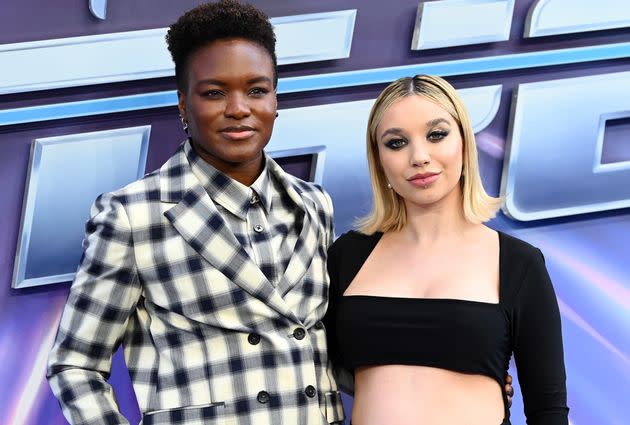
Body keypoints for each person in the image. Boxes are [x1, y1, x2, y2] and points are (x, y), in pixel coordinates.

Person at [46, 1, 345, 424]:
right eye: (214, 92)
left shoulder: (315, 205)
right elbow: (74, 364)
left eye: (256, 90)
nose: (239, 108)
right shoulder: (133, 216)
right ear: (184, 105)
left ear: (276, 100)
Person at [324, 75, 568, 425]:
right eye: (396, 143)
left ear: (465, 144)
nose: (419, 156)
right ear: (379, 161)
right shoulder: (347, 256)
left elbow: (548, 411)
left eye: (436, 135)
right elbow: (307, 362)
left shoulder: (518, 263)